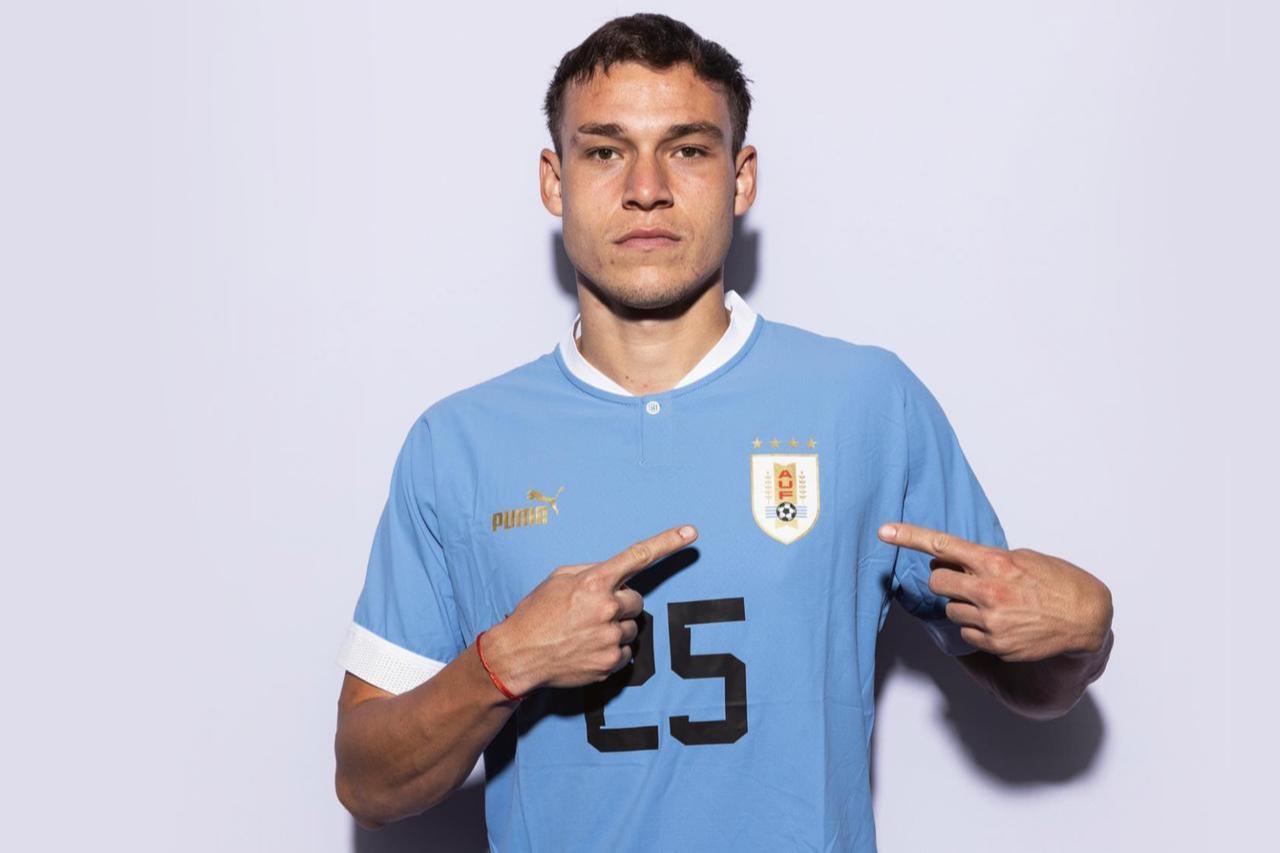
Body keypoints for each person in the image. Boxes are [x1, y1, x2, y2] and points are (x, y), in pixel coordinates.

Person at [333, 12, 1115, 851]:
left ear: (741, 179)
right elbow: (368, 781)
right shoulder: (458, 445)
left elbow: (1031, 683)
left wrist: (1082, 636)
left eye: (687, 148)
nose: (645, 187)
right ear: (553, 182)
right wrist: (505, 661)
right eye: (604, 150)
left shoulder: (863, 401)